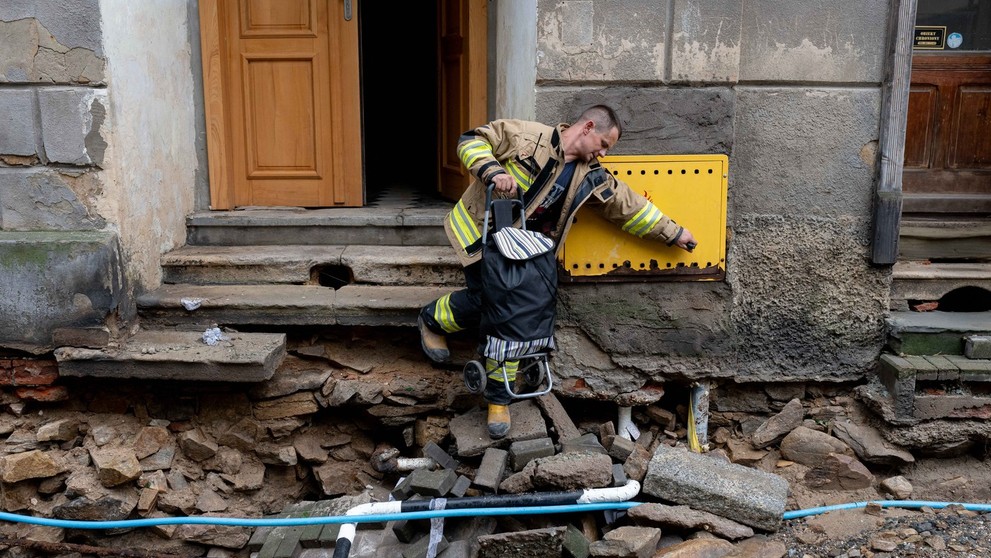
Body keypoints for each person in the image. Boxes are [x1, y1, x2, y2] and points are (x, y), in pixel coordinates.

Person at [418, 104, 697, 439]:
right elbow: (471, 141)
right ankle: (494, 393)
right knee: (497, 308)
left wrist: (674, 233)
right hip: (483, 235)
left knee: (507, 312)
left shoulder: (591, 174)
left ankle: (442, 327)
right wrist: (493, 172)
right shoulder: (526, 136)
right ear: (588, 127)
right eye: (604, 144)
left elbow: (627, 206)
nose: (604, 154)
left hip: (526, 253)